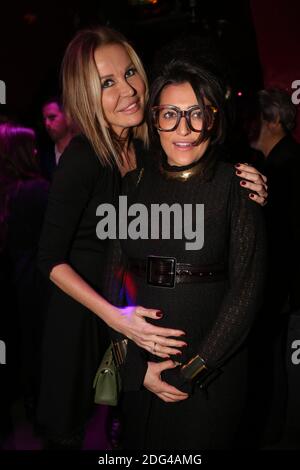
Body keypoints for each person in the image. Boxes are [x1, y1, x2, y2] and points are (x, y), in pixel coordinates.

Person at [37, 27, 268, 450]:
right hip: (84, 319)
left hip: (129, 319)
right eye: (106, 82)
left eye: (129, 72)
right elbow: (48, 259)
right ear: (86, 94)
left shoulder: (147, 152)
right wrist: (115, 319)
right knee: (74, 435)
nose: (126, 89)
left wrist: (250, 184)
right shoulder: (84, 157)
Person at [114, 59, 267, 450]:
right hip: (141, 369)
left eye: (195, 114)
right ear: (154, 119)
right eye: (170, 114)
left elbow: (246, 294)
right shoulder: (134, 185)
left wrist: (192, 371)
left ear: (212, 120)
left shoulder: (237, 185)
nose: (183, 129)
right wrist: (136, 367)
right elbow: (112, 278)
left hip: (210, 378)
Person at [244, 89, 300, 446]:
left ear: (275, 121)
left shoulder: (287, 166)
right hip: (281, 291)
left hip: (285, 292)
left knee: (278, 375)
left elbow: (284, 239)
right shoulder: (273, 164)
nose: (249, 125)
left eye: (258, 117)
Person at [0, 123, 49, 437]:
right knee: (34, 346)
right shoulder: (38, 190)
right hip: (31, 282)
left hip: (10, 280)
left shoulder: (11, 191)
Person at [40, 97, 74, 180]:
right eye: (44, 120)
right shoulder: (44, 158)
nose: (47, 124)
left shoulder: (85, 151)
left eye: (52, 118)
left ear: (67, 117)